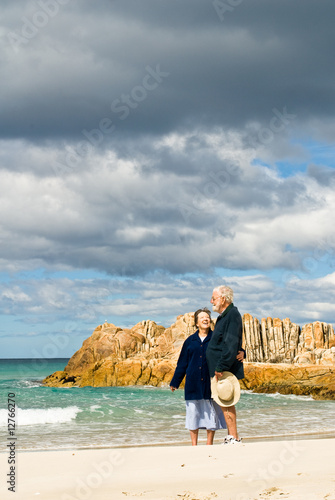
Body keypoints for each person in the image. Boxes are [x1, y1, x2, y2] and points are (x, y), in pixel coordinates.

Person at [170, 307, 244, 446]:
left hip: (211, 382)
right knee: (193, 414)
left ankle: (209, 444)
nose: (206, 319)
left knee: (211, 415)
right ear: (196, 323)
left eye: (207, 317)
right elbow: (182, 363)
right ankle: (194, 445)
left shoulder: (216, 338)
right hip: (192, 383)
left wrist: (242, 352)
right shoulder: (189, 341)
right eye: (202, 317)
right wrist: (175, 381)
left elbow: (231, 346)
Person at [206, 285, 244, 444]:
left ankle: (234, 437)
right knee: (225, 402)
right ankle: (232, 436)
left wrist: (221, 366)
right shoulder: (225, 316)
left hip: (223, 369)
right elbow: (230, 342)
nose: (211, 301)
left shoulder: (232, 315)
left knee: (227, 401)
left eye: (214, 298)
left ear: (223, 299)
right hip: (220, 367)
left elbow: (230, 344)